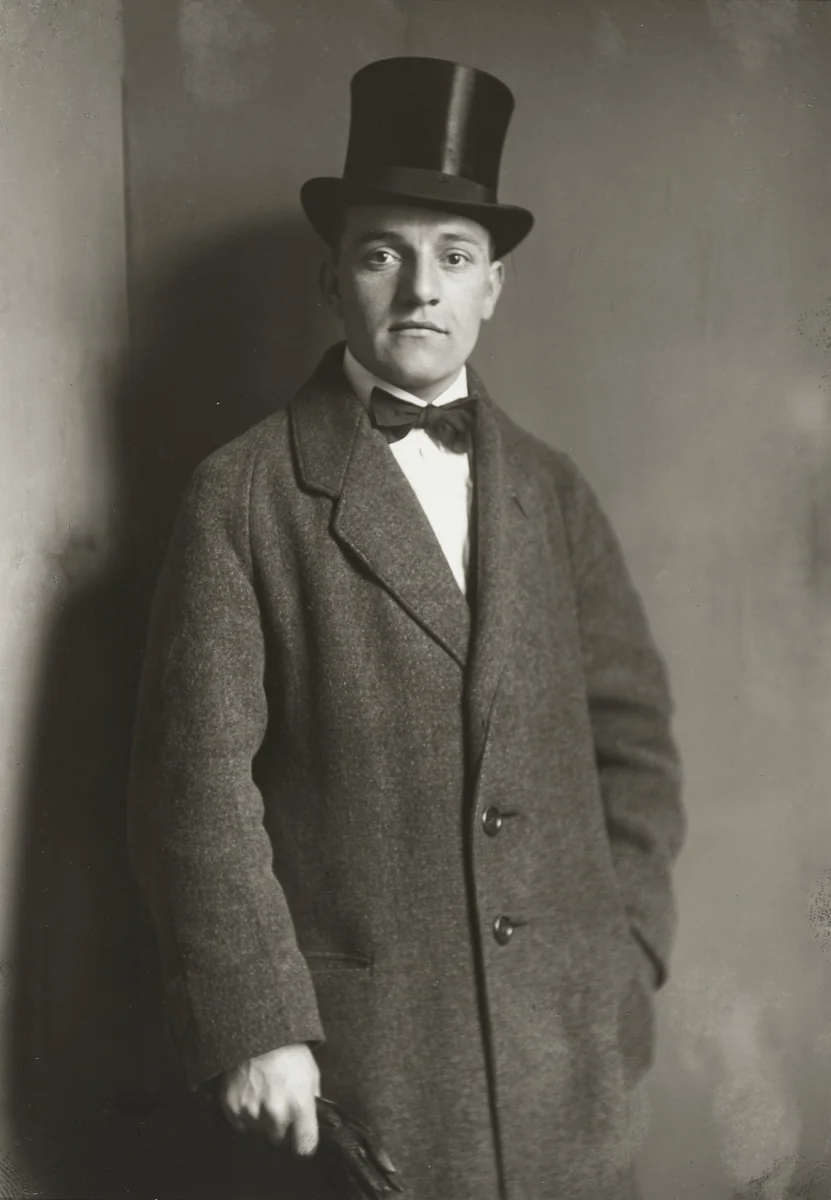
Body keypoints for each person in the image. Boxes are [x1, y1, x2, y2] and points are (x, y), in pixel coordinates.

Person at [127, 56, 685, 1200]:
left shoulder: (551, 489)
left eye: (455, 257)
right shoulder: (242, 494)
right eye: (384, 253)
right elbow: (194, 788)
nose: (419, 289)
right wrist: (255, 1019)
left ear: (494, 289)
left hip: (572, 1069)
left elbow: (633, 738)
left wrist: (627, 956)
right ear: (334, 279)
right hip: (366, 1074)